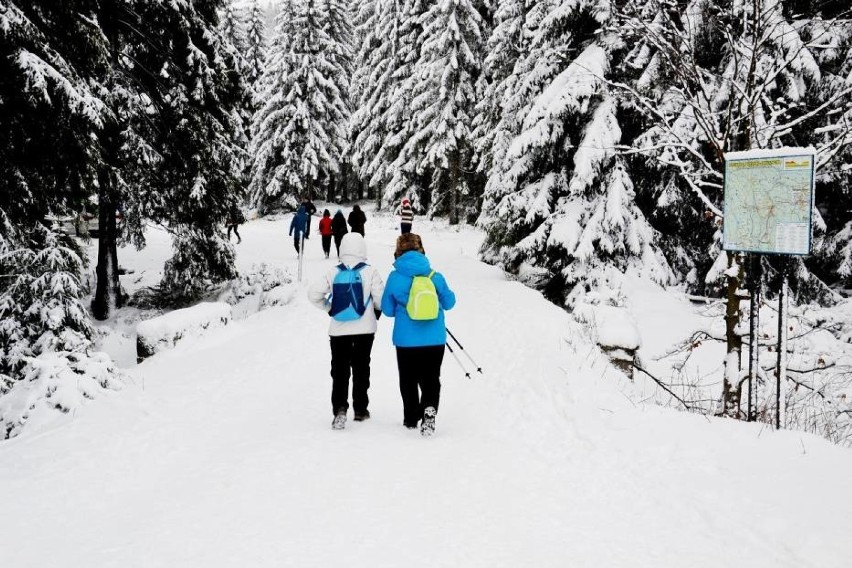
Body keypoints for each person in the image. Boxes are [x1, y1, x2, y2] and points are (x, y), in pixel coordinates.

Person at [308, 233, 385, 430]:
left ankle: (340, 410)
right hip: (365, 329)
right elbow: (381, 299)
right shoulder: (370, 271)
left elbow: (313, 293)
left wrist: (329, 308)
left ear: (342, 249)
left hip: (338, 330)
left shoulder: (333, 272)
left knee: (340, 371)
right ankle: (360, 410)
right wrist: (375, 311)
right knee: (361, 368)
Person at [381, 233, 456, 436]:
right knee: (432, 377)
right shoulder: (434, 276)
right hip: (434, 339)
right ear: (421, 250)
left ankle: (411, 418)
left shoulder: (395, 277)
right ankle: (429, 408)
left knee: (408, 379)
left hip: (406, 341)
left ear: (398, 252)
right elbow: (450, 303)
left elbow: (387, 310)